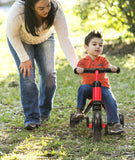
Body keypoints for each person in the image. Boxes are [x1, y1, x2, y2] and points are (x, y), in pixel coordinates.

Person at [6, 0, 78, 130]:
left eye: (48, 5)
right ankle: (32, 118)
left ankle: (43, 113)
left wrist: (76, 66)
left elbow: (65, 39)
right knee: (27, 77)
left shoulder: (55, 9)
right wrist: (24, 58)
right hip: (20, 40)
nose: (46, 10)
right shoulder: (18, 11)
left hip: (45, 38)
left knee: (49, 75)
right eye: (41, 8)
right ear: (31, 6)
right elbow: (12, 35)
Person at [74, 30, 124, 134]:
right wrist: (79, 69)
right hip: (89, 87)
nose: (98, 47)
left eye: (100, 45)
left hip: (103, 87)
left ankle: (114, 123)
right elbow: (79, 68)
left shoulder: (103, 60)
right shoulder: (83, 61)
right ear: (86, 47)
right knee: (82, 89)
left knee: (110, 100)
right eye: (94, 44)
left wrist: (112, 68)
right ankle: (79, 110)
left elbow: (108, 66)